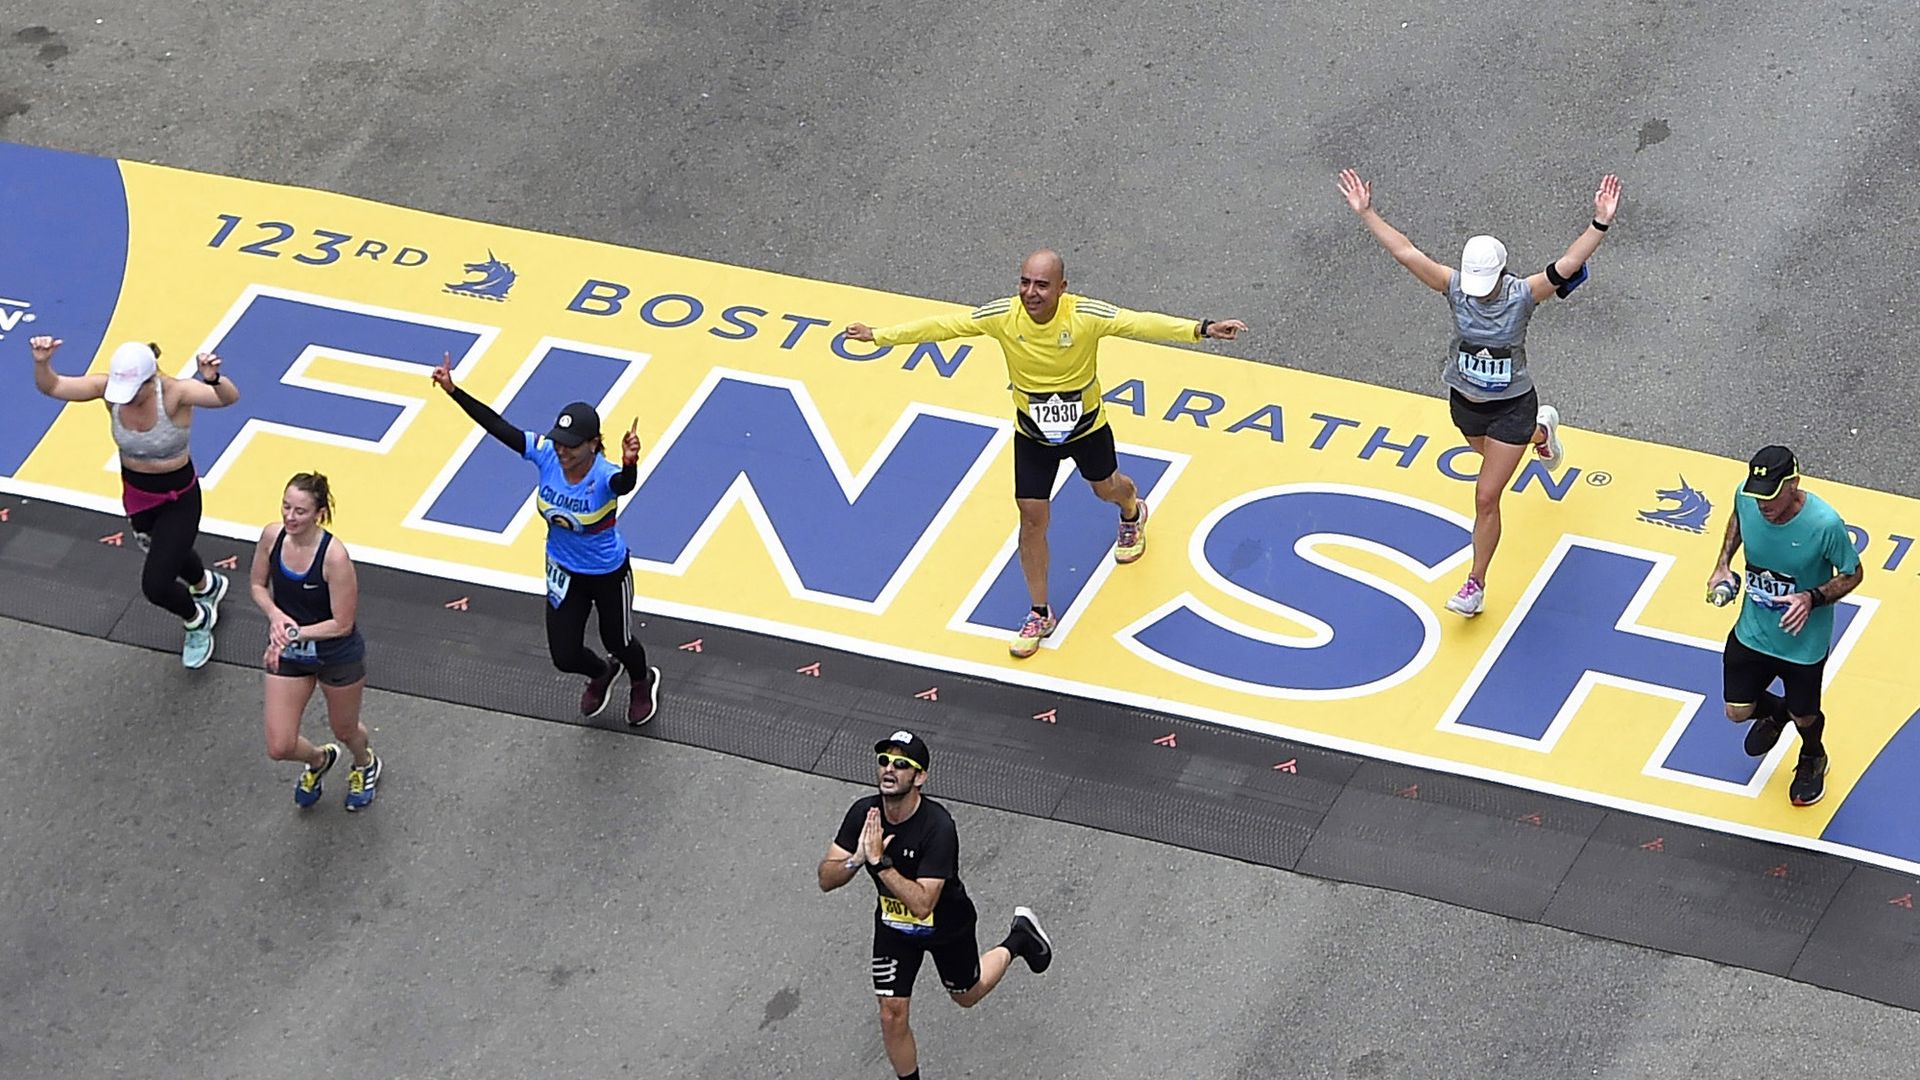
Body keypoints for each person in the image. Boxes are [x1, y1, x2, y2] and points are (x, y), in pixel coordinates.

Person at [845, 251, 1246, 658]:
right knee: (1031, 517)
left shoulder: (1084, 315)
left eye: (1041, 285)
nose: (1030, 293)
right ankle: (1040, 613)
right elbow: (945, 326)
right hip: (1033, 435)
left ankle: (1131, 511)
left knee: (1107, 488)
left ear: (1062, 288)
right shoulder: (1004, 316)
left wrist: (1203, 328)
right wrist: (878, 335)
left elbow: (1139, 322)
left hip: (1086, 429)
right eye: (1025, 282)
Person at [1337, 169, 1622, 617]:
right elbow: (1405, 252)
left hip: (1512, 407)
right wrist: (1366, 213)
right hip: (1466, 405)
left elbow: (1568, 264)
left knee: (1486, 496)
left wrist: (1600, 222)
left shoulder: (1523, 294)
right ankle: (1541, 434)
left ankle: (1475, 585)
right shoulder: (1454, 288)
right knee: (1490, 461)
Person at [430, 354, 660, 724]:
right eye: (559, 442)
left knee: (618, 641)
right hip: (563, 570)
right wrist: (454, 391)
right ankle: (602, 673)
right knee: (565, 656)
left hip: (607, 573)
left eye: (571, 445)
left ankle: (641, 679)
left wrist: (631, 463)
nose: (562, 451)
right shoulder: (546, 454)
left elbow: (624, 485)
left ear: (593, 444)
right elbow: (497, 426)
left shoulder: (604, 475)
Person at [818, 730, 1054, 1080]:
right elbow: (826, 878)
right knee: (891, 1014)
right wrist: (856, 859)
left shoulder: (938, 827)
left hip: (946, 926)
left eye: (901, 764)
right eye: (884, 760)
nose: (889, 768)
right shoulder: (863, 814)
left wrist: (881, 863)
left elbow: (923, 904)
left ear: (919, 777)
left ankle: (1019, 939)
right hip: (894, 927)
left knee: (967, 996)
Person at [29, 335, 240, 667]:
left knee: (156, 585)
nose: (124, 399)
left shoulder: (175, 394)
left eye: (133, 392)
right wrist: (42, 363)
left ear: (150, 379)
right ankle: (206, 585)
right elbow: (53, 387)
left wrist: (213, 378)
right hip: (138, 496)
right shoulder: (110, 392)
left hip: (179, 499)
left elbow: (227, 398)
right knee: (167, 550)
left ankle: (197, 620)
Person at [1708, 446, 1862, 807]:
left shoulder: (1825, 525)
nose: (1763, 503)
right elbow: (1738, 518)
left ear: (1794, 483)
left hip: (1802, 641)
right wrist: (1722, 564)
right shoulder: (1747, 499)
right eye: (1759, 494)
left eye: (1772, 494)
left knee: (1805, 714)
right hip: (1753, 630)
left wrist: (1811, 597)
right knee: (1736, 711)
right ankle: (1779, 713)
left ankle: (1812, 756)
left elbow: (1853, 573)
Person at [249, 472, 382, 810]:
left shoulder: (334, 558)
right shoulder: (271, 537)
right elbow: (257, 586)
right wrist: (275, 616)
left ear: (319, 514)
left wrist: (292, 634)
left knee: (345, 729)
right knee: (279, 746)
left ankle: (365, 762)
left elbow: (342, 623)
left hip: (335, 654)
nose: (290, 517)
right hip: (291, 653)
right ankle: (318, 760)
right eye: (286, 507)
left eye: (300, 511)